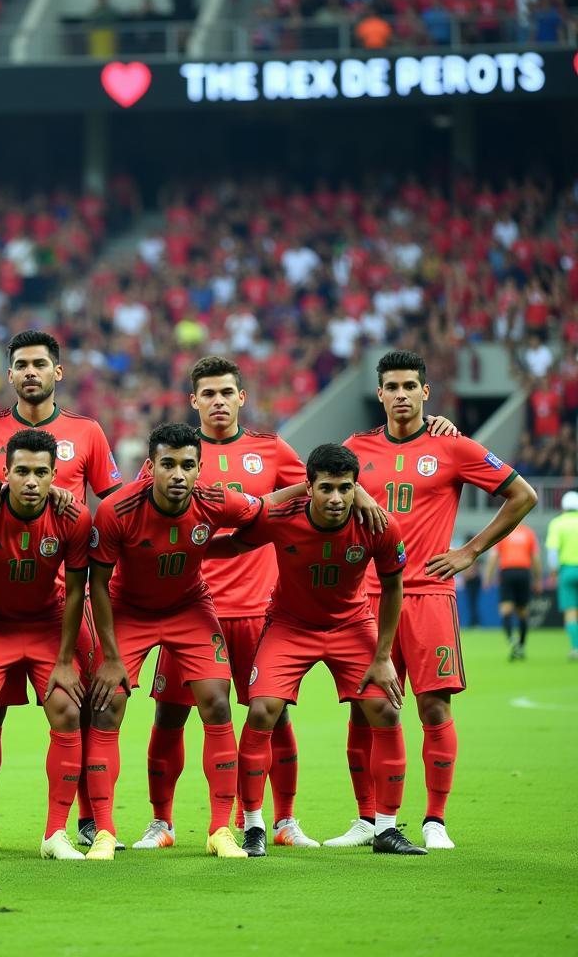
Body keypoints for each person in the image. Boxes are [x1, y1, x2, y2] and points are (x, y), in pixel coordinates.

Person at [328, 350, 537, 851]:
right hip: (370, 598)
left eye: (410, 386)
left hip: (428, 595)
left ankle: (435, 821)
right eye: (391, 386)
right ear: (378, 394)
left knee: (434, 708)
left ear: (425, 392)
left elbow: (523, 495)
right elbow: (322, 488)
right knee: (367, 710)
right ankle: (369, 820)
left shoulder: (454, 446)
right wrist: (355, 495)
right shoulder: (354, 448)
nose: (401, 394)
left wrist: (470, 551)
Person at [84, 422, 306, 860]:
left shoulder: (214, 500)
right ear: (150, 468)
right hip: (129, 609)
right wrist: (110, 656)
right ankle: (106, 831)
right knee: (108, 706)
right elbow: (97, 583)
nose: (178, 474)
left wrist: (324, 491)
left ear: (200, 469)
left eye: (188, 465)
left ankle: (219, 829)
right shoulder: (117, 510)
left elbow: (263, 509)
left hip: (189, 607)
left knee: (218, 703)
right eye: (168, 464)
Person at [0, 329, 122, 852]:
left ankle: (78, 823)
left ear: (56, 372)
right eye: (20, 364)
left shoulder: (88, 432)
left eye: (39, 364)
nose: (29, 372)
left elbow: (109, 512)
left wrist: (75, 516)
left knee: (80, 710)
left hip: (57, 602)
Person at [210, 443, 425, 856]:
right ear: (307, 487)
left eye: (346, 488)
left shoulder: (379, 525)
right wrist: (191, 548)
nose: (336, 498)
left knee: (386, 709)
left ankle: (386, 829)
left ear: (356, 487)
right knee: (261, 711)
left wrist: (382, 658)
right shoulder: (281, 517)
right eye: (326, 488)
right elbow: (235, 544)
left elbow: (394, 584)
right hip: (290, 626)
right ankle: (254, 826)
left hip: (352, 625)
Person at [134, 357, 312, 850]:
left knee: (273, 717)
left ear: (241, 398)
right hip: (190, 608)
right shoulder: (174, 453)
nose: (217, 401)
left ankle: (282, 820)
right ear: (193, 401)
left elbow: (315, 491)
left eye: (225, 393)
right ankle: (162, 823)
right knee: (170, 715)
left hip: (259, 609)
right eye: (206, 394)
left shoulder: (270, 450)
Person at [0, 428, 92, 862]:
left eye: (41, 473)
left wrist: (67, 661)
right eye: (22, 472)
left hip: (47, 625)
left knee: (68, 707)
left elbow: (74, 592)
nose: (31, 481)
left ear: (55, 476)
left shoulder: (73, 516)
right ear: (5, 473)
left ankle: (56, 833)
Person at [483, 523, 541, 659]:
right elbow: (536, 558)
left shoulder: (504, 530)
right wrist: (538, 579)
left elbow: (493, 557)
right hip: (524, 572)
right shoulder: (529, 533)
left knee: (505, 610)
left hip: (507, 572)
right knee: (523, 611)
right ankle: (521, 645)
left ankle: (511, 640)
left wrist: (487, 578)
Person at [546, 491, 578, 659]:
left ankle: (575, 647)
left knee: (571, 611)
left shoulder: (557, 523)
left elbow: (552, 552)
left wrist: (553, 572)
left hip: (567, 571)